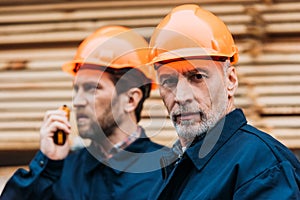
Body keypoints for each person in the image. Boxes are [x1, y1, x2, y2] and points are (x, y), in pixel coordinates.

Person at [147, 4, 300, 200]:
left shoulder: (263, 168)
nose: (181, 96)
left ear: (230, 80)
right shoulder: (176, 165)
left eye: (197, 77)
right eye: (169, 81)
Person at [1, 25, 168, 200]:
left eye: (91, 89)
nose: (78, 101)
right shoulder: (63, 171)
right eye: (77, 89)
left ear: (130, 100)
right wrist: (47, 166)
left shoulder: (167, 171)